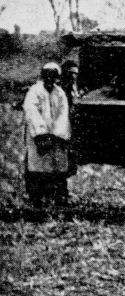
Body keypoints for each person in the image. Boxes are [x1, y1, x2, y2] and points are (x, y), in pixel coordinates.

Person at [23, 63, 71, 207]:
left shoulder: (60, 93)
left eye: (54, 75)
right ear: (43, 76)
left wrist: (57, 134)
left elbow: (63, 114)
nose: (50, 78)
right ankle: (36, 198)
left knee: (58, 166)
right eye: (47, 75)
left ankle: (59, 197)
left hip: (55, 137)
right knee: (38, 166)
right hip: (38, 137)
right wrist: (41, 134)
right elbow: (32, 113)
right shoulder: (34, 91)